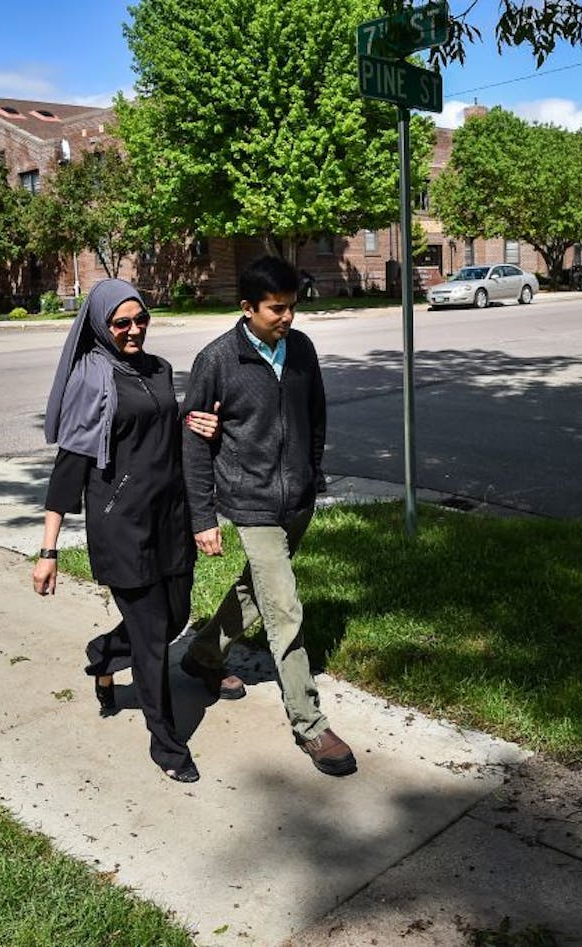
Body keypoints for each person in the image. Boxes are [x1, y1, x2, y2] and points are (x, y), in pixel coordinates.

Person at [179, 255, 357, 777]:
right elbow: (194, 443)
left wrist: (313, 474)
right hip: (251, 500)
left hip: (297, 496)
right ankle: (310, 723)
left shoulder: (300, 349)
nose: (287, 318)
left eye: (292, 308)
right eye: (277, 309)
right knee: (284, 607)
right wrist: (202, 514)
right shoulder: (217, 359)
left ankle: (204, 656)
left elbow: (316, 417)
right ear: (247, 307)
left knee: (255, 590)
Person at [33, 278, 217, 784]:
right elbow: (69, 468)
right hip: (122, 524)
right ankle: (167, 745)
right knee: (153, 641)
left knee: (174, 616)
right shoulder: (91, 382)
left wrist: (194, 423)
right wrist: (48, 549)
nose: (134, 330)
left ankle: (104, 654)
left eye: (141, 320)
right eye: (121, 323)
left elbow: (161, 427)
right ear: (100, 325)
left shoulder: (158, 370)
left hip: (170, 517)